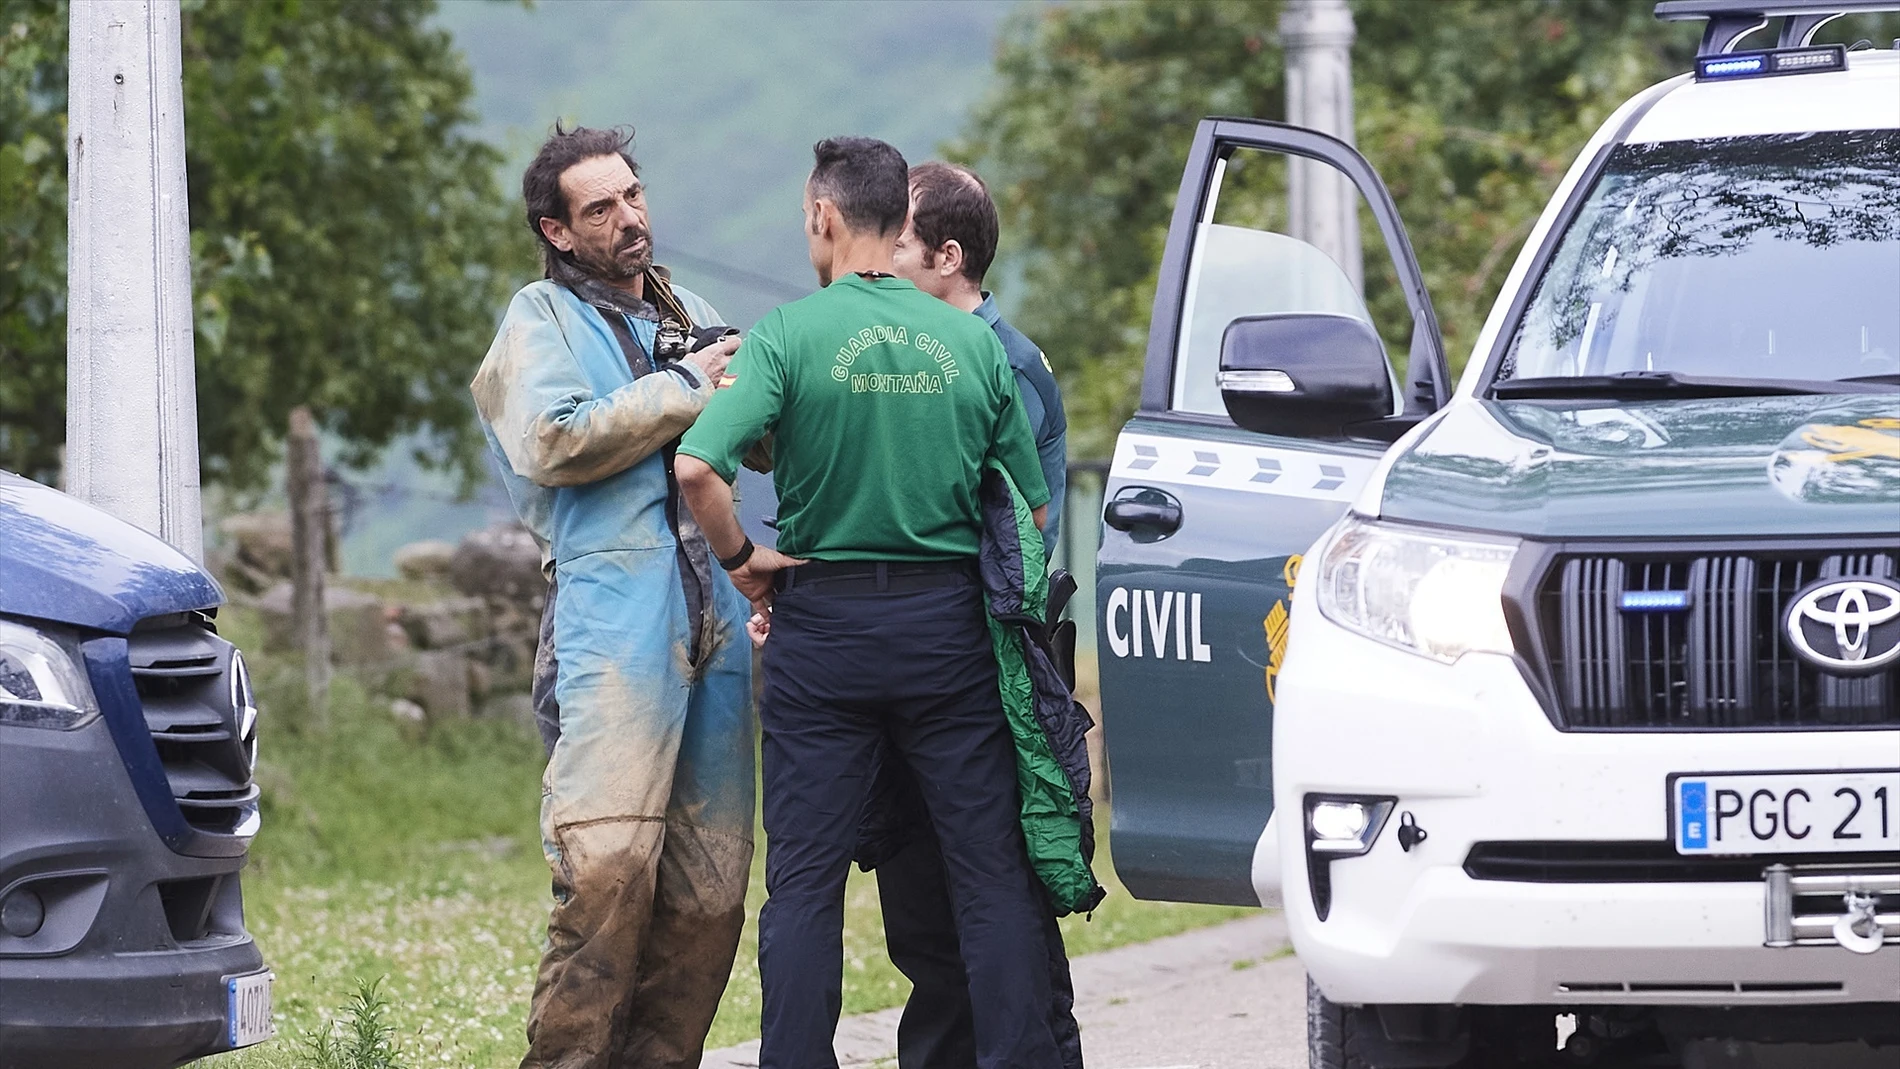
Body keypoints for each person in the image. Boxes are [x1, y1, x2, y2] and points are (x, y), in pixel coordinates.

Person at [675, 136, 1062, 1069]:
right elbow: (1032, 509)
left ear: (824, 216)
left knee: (804, 883)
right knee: (989, 879)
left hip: (823, 632)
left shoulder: (786, 336)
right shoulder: (974, 343)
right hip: (948, 636)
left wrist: (743, 560)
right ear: (902, 220)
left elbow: (697, 466)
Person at [469, 124, 754, 1069]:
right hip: (609, 617)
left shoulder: (689, 308)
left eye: (633, 195)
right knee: (607, 869)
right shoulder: (536, 320)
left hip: (716, 612)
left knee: (710, 890)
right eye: (602, 208)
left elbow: (744, 437)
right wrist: (690, 382)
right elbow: (553, 438)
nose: (630, 218)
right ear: (557, 231)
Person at [881, 160, 1081, 1069]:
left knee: (1005, 912)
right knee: (927, 917)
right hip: (925, 663)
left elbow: (1027, 526)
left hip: (988, 664)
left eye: (899, 239)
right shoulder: (915, 350)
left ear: (947, 256)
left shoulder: (1001, 359)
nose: (879, 255)